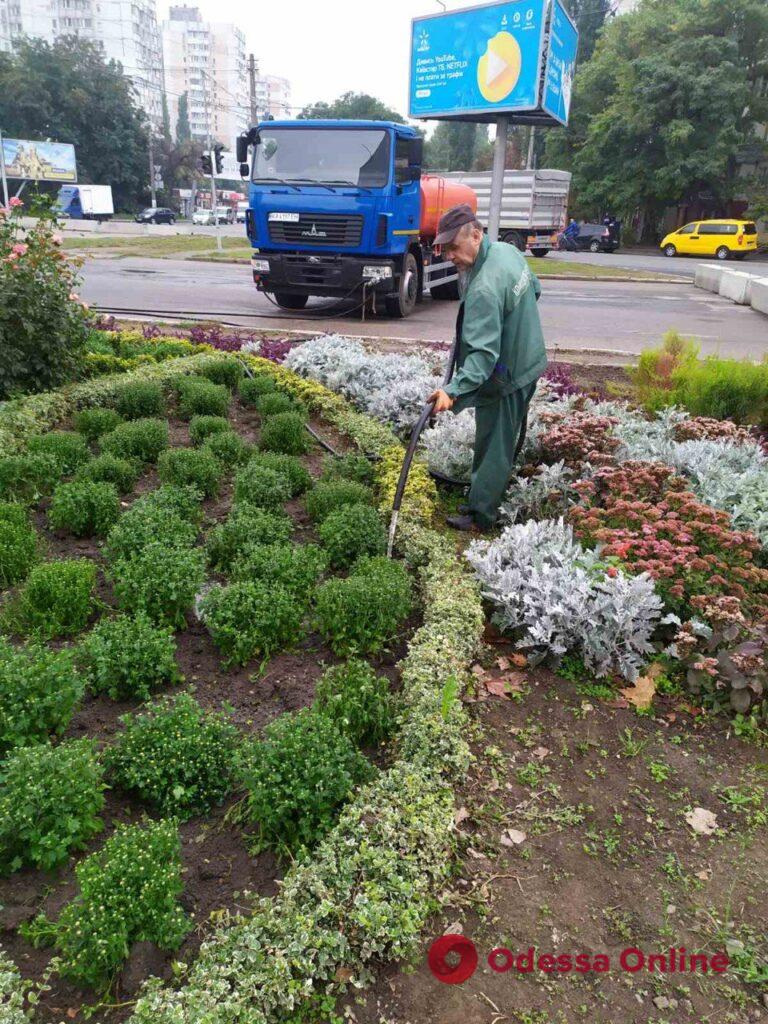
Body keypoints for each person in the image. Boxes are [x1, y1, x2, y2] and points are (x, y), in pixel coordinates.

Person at [428, 204, 547, 533]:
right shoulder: (508, 252)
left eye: (454, 247)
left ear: (476, 235)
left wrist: (452, 391)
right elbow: (534, 289)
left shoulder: (483, 288)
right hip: (528, 359)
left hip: (507, 376)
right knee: (500, 438)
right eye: (445, 249)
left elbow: (482, 358)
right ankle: (481, 496)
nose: (449, 255)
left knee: (495, 443)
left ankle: (482, 516)